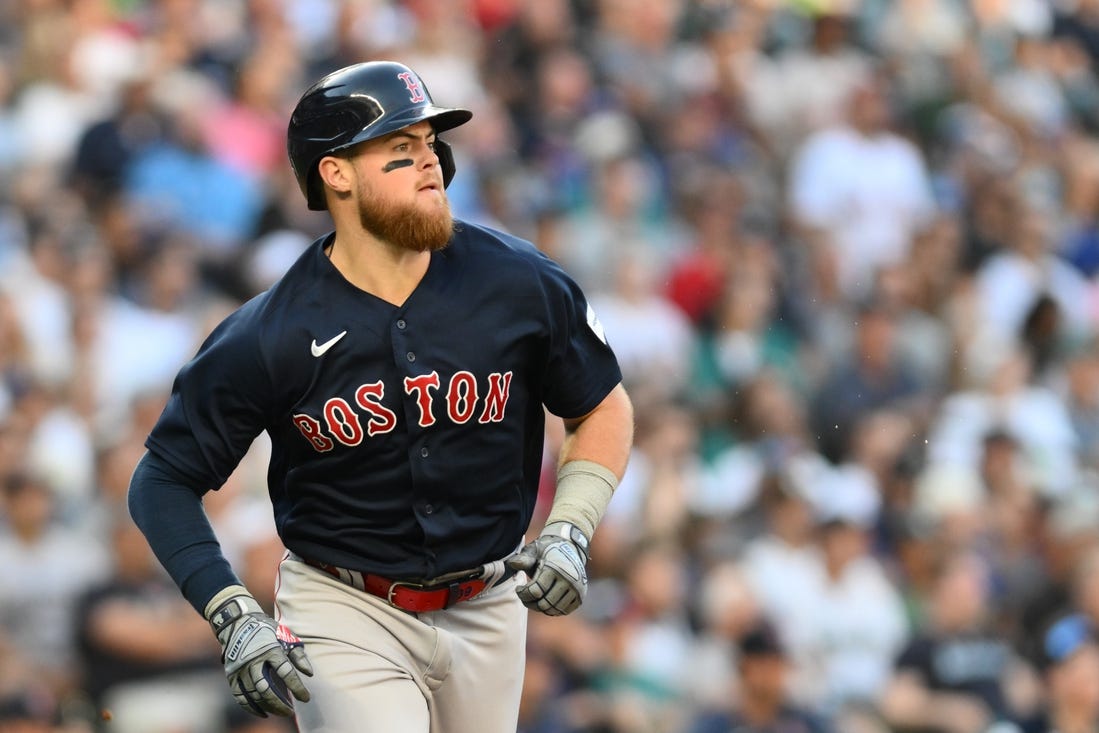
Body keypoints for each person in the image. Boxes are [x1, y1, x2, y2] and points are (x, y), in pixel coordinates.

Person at [126, 60, 634, 733]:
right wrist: (230, 609)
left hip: (489, 602)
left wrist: (571, 524)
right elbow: (161, 478)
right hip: (344, 605)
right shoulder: (272, 331)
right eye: (402, 150)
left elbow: (601, 403)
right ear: (335, 173)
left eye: (430, 145)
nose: (431, 163)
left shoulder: (517, 282)